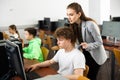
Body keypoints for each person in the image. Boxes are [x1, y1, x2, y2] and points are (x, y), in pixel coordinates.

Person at [66, 2, 108, 80]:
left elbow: (99, 42)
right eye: (67, 15)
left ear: (79, 14)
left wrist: (88, 45)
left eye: (71, 15)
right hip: (84, 54)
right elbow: (77, 43)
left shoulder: (90, 24)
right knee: (83, 76)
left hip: (95, 56)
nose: (68, 17)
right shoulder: (73, 26)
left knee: (91, 77)